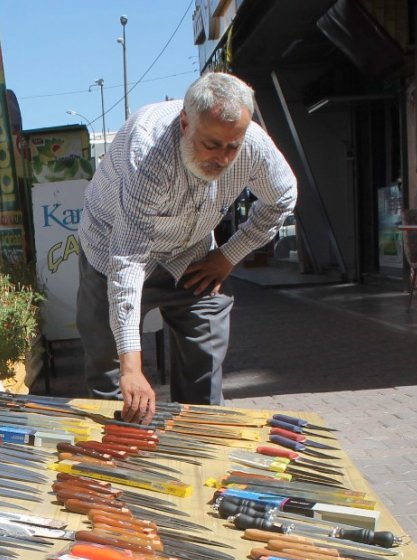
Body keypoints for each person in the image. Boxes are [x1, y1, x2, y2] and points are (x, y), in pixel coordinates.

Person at [77, 71, 297, 424]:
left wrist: (228, 256)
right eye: (211, 145)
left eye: (233, 146)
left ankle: (198, 449)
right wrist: (132, 366)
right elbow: (128, 261)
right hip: (112, 251)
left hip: (193, 253)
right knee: (111, 374)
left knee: (204, 366)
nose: (224, 158)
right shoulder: (148, 153)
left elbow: (283, 197)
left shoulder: (253, 146)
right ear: (184, 123)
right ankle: (120, 460)